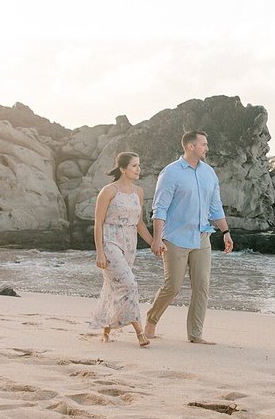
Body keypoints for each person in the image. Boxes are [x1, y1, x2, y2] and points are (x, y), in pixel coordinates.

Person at [144, 130, 234, 344]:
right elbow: (160, 208)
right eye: (203, 144)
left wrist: (226, 232)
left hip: (202, 237)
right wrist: (157, 239)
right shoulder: (171, 173)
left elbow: (215, 207)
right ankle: (151, 319)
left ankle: (195, 334)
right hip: (175, 238)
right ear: (190, 146)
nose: (207, 148)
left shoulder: (209, 173)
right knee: (172, 286)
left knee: (202, 287)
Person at [90, 152, 155, 347]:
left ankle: (106, 330)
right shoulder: (109, 191)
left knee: (114, 286)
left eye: (139, 165)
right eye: (134, 166)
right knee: (129, 284)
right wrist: (99, 252)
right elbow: (98, 223)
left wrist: (153, 243)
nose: (138, 169)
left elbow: (139, 223)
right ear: (122, 169)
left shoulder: (139, 192)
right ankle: (140, 332)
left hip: (129, 244)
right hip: (110, 242)